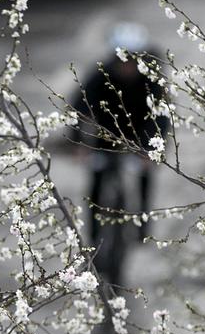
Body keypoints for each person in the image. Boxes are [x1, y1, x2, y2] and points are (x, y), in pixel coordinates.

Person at [70, 22, 169, 286]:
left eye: (132, 60)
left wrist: (151, 152)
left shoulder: (153, 79)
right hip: (106, 137)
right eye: (121, 60)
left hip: (141, 137)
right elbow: (78, 108)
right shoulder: (99, 75)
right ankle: (92, 243)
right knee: (96, 182)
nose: (126, 67)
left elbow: (161, 119)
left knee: (146, 175)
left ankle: (141, 226)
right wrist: (79, 144)